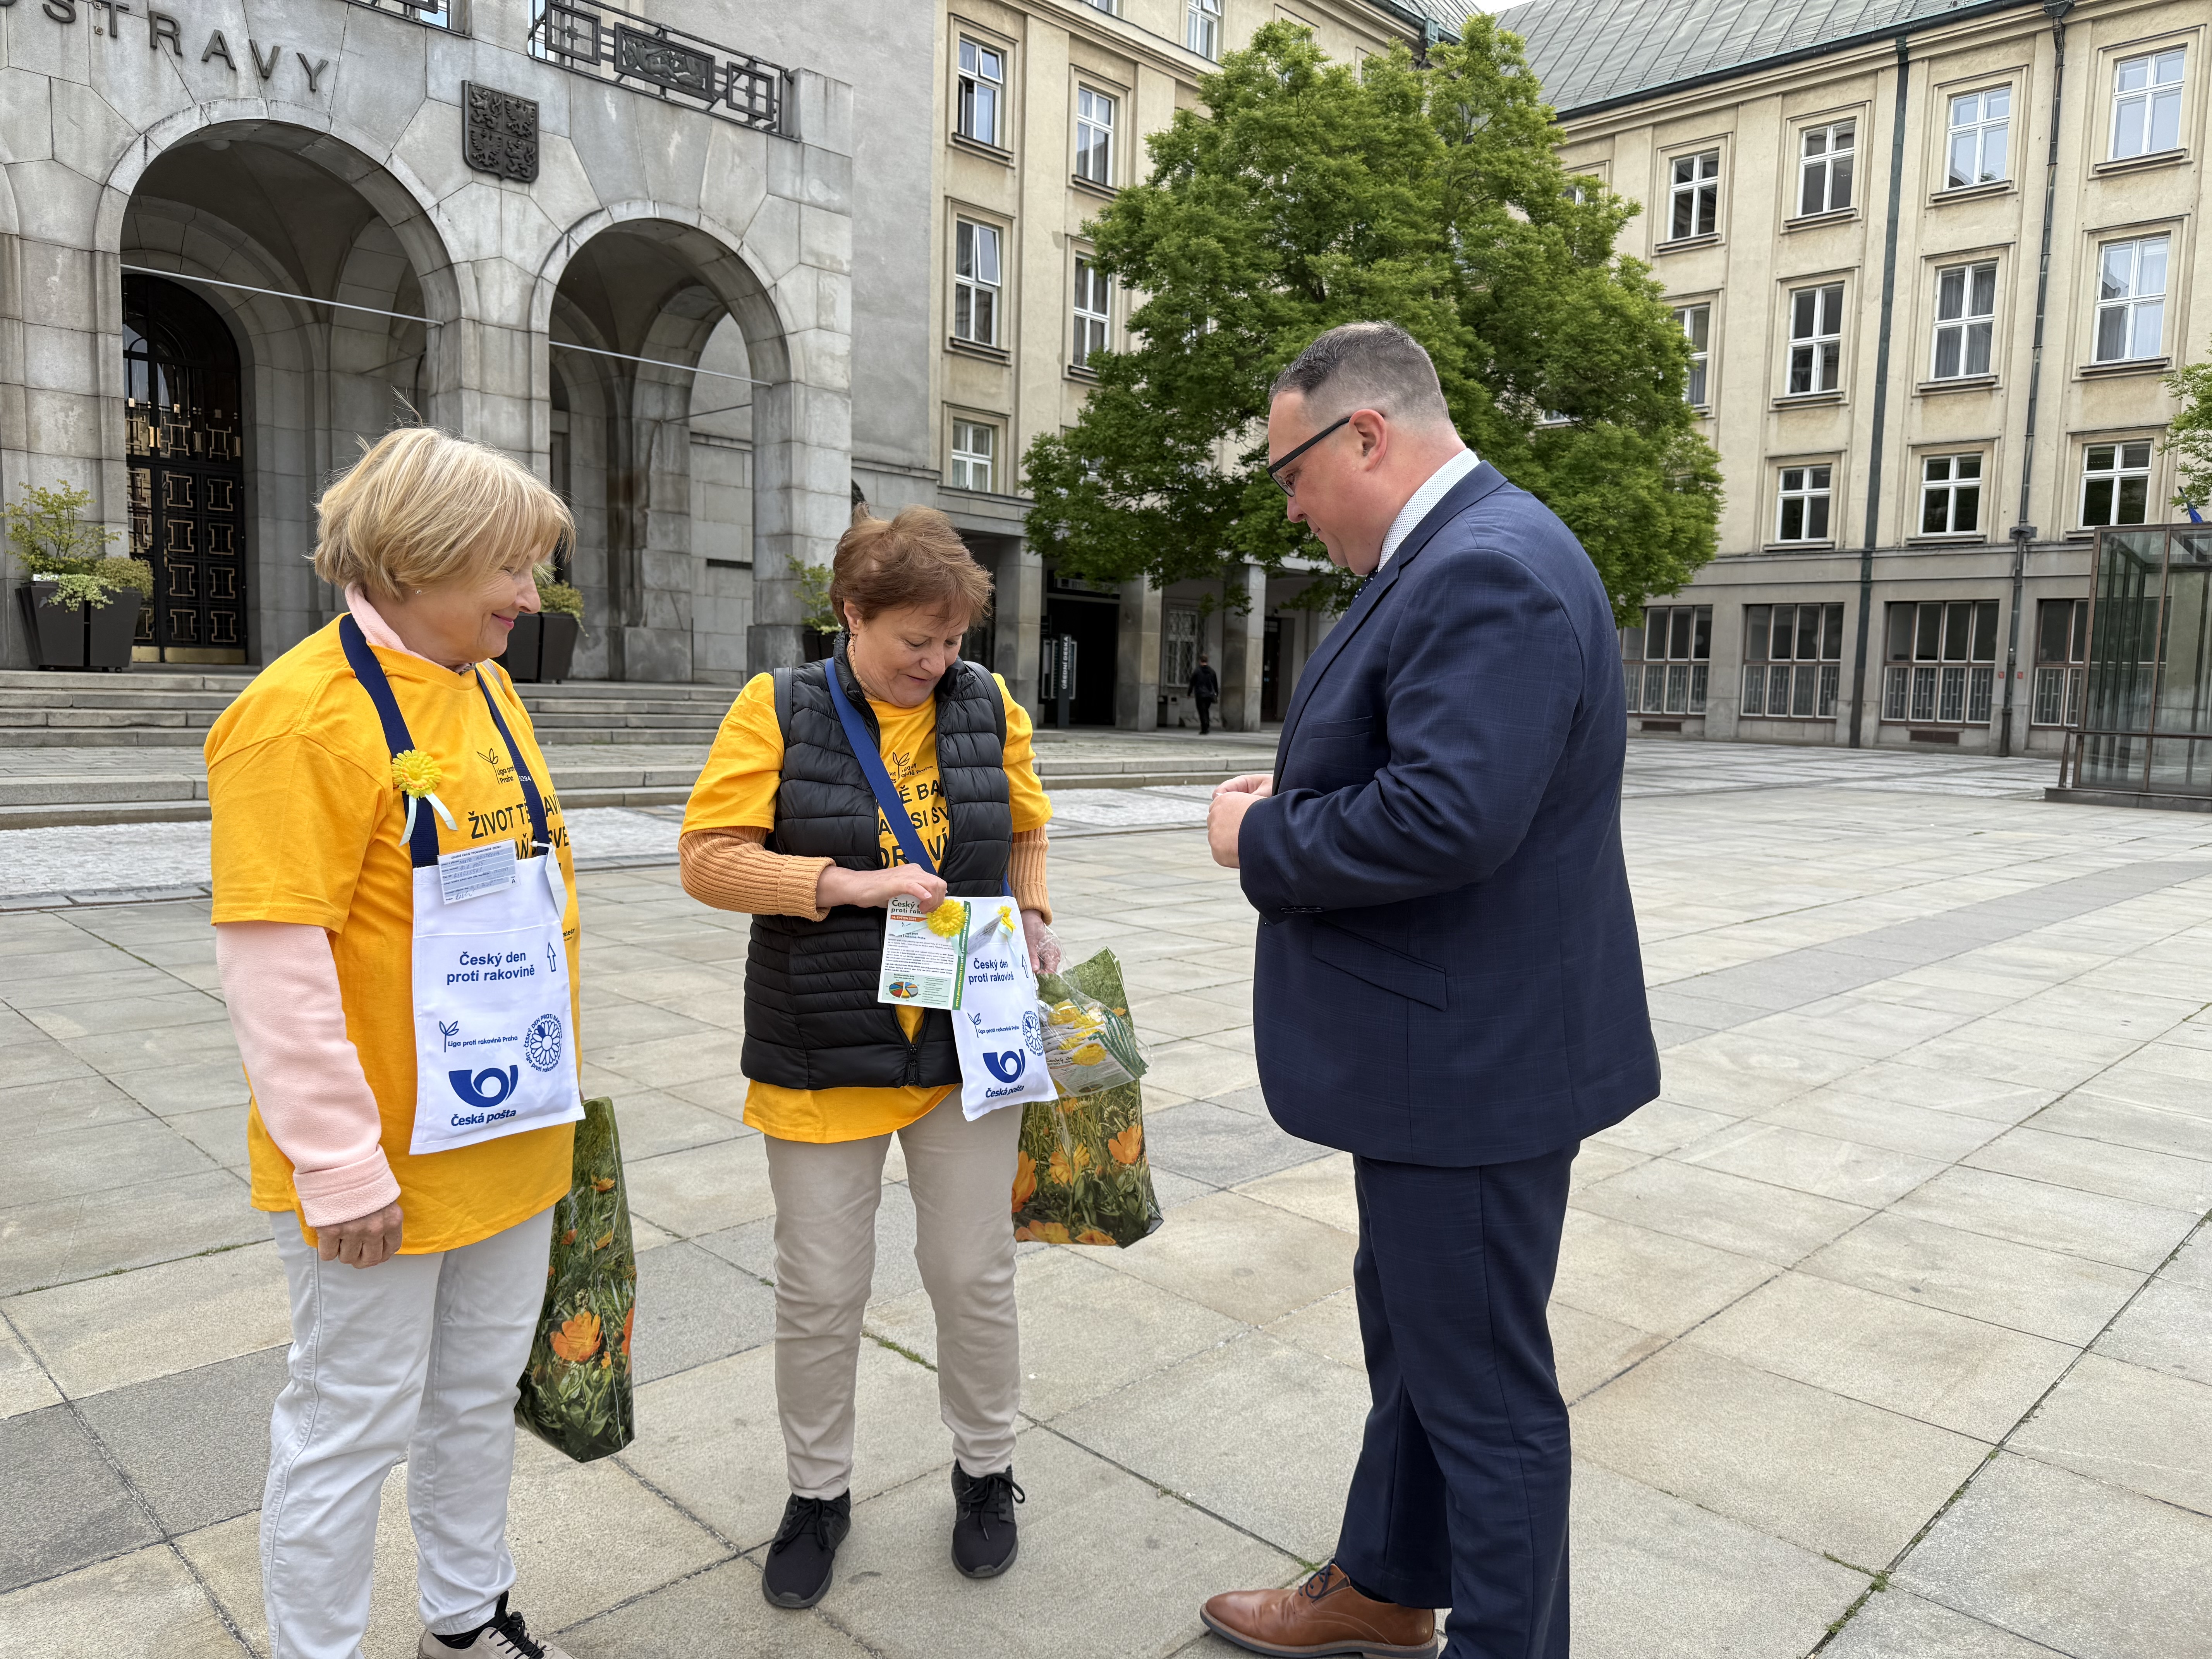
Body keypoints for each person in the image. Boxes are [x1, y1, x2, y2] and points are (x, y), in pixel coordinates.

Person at [1200, 323, 1659, 1659]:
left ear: (1365, 436)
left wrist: (1263, 838)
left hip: (1466, 1069)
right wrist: (1304, 797)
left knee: (1485, 1396)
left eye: (1290, 469)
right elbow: (1446, 778)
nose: (1288, 503)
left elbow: (1451, 816)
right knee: (1421, 1349)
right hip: (1448, 1055)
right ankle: (1391, 1582)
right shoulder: (1461, 557)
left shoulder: (1488, 569)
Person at [208, 427, 587, 1659]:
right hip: (379, 1167)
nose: (533, 596)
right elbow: (274, 963)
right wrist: (335, 1160)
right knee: (349, 1423)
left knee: (476, 1401)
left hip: (506, 1132)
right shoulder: (296, 718)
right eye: (513, 569)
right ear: (421, 560)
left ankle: (468, 1619)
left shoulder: (480, 678)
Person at [678, 505, 1056, 1608]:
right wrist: (845, 883)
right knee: (822, 1288)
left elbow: (1025, 823)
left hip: (960, 1047)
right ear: (850, 615)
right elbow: (709, 860)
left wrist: (1032, 912)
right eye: (913, 643)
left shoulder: (986, 705)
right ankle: (818, 1492)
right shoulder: (779, 706)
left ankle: (988, 1471)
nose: (937, 664)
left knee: (972, 1274)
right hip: (822, 1040)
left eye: (952, 642)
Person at [1189, 652, 1220, 735]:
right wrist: (1217, 693)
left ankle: (1205, 728)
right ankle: (1207, 725)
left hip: (1200, 694)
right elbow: (1215, 684)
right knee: (1206, 710)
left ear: (1200, 661)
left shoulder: (1197, 671)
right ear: (1207, 661)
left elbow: (1192, 683)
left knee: (1202, 711)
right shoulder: (1212, 671)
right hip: (1209, 695)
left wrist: (1189, 693)